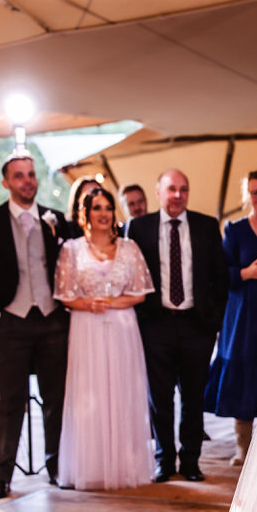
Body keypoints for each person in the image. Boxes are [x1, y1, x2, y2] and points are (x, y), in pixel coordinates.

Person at [0, 154, 70, 500]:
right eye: (19, 176)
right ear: (6, 183)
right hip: (11, 322)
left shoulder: (55, 219)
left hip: (53, 320)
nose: (27, 181)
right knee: (7, 402)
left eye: (31, 175)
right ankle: (2, 475)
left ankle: (57, 468)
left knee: (56, 398)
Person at [127, 169, 228, 483]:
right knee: (160, 398)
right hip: (155, 325)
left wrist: (212, 320)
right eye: (171, 189)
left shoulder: (206, 226)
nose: (177, 195)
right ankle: (164, 460)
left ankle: (191, 461)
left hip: (196, 326)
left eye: (183, 189)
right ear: (158, 192)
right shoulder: (138, 228)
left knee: (193, 397)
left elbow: (220, 280)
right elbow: (130, 276)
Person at [53, 186, 154, 490]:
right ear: (85, 214)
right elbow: (65, 295)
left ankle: (124, 465)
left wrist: (110, 304)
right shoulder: (71, 249)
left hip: (122, 328)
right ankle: (91, 466)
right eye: (96, 208)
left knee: (122, 392)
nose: (103, 214)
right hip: (86, 328)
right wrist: (89, 304)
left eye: (107, 208)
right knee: (89, 395)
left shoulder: (129, 248)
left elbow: (140, 293)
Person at [203, 170, 257, 467]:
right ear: (247, 196)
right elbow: (219, 273)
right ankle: (243, 445)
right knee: (244, 374)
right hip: (243, 315)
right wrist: (246, 272)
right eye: (255, 192)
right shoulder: (235, 230)